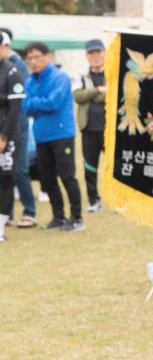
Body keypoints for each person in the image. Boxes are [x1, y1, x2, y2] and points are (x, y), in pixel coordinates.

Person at [23, 42, 83, 231]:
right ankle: (58, 217)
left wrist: (35, 103)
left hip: (61, 133)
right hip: (41, 136)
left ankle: (77, 217)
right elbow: (25, 107)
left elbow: (53, 103)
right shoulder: (30, 81)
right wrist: (37, 103)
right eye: (30, 58)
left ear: (47, 57)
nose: (33, 61)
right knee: (47, 179)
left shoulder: (60, 77)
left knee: (67, 176)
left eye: (37, 57)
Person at [0, 28, 36, 228]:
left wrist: (5, 135)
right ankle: (8, 215)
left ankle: (29, 210)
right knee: (6, 174)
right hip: (6, 124)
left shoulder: (16, 66)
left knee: (19, 170)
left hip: (16, 126)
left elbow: (17, 103)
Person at [73, 38, 107, 212]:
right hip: (89, 127)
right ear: (87, 56)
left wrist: (94, 94)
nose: (95, 57)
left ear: (104, 53)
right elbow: (78, 96)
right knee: (90, 166)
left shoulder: (112, 73)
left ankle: (118, 201)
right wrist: (97, 90)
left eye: (98, 52)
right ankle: (94, 200)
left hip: (109, 129)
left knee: (113, 167)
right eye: (91, 53)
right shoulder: (82, 75)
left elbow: (110, 96)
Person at [0, 31, 25, 240]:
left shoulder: (13, 72)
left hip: (7, 136)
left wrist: (4, 137)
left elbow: (14, 109)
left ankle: (0, 228)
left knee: (5, 179)